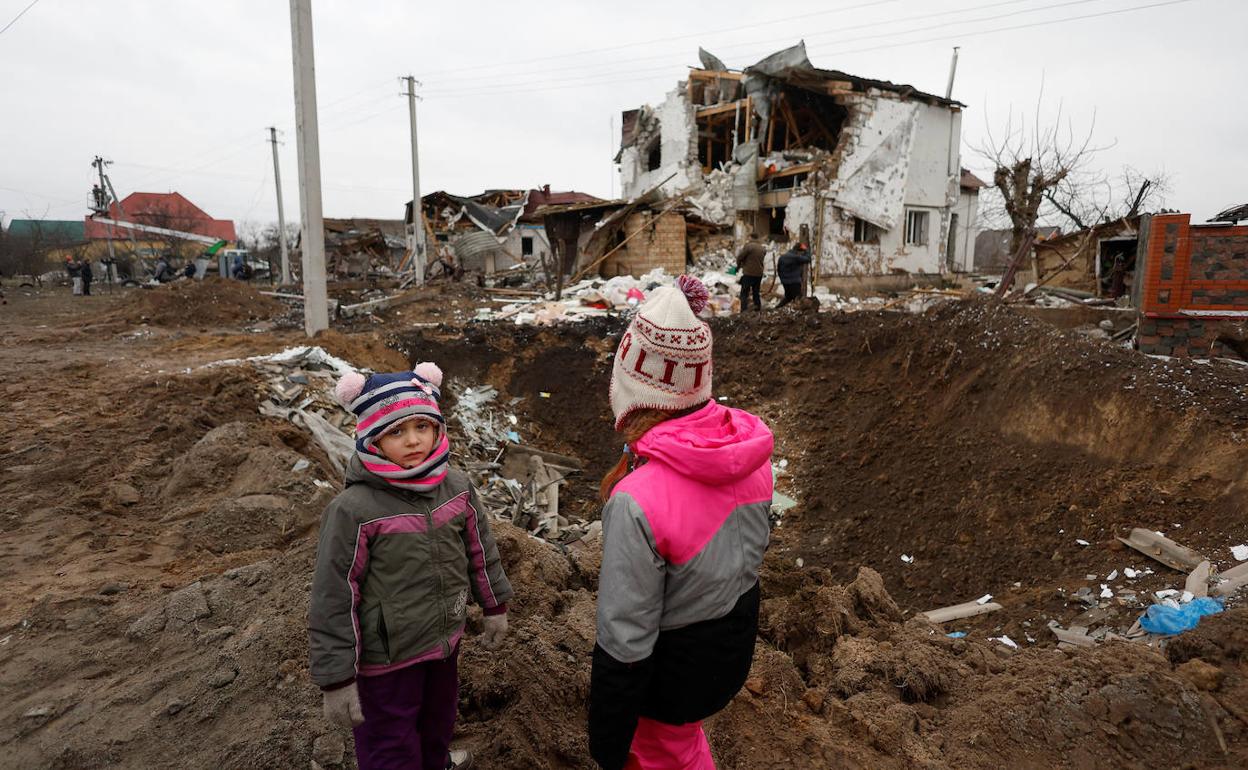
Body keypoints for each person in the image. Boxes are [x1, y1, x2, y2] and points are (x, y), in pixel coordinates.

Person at [589, 275, 774, 770]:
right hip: (728, 649)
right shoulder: (751, 454)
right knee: (682, 745)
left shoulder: (636, 501)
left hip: (668, 674)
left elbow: (624, 640)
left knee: (655, 753)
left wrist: (606, 740)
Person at [309, 362, 511, 770]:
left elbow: (481, 550)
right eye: (396, 432)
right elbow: (334, 594)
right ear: (371, 439)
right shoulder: (355, 510)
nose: (413, 440)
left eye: (422, 426)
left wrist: (495, 606)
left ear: (438, 427)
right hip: (385, 660)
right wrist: (337, 677)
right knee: (390, 746)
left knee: (436, 727)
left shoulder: (455, 486)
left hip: (443, 644)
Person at [734, 232, 766, 311]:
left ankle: (744, 311)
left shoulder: (749, 246)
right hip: (759, 274)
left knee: (744, 293)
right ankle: (758, 309)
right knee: (756, 293)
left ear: (751, 237)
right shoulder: (762, 248)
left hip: (749, 273)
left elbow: (740, 257)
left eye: (749, 237)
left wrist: (738, 267)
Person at [775, 242, 811, 308]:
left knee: (789, 297)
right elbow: (808, 259)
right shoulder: (796, 257)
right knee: (798, 298)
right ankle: (798, 314)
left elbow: (779, 270)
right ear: (798, 251)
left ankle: (777, 308)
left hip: (785, 281)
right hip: (794, 282)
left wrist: (782, 279)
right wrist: (806, 250)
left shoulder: (782, 257)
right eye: (801, 253)